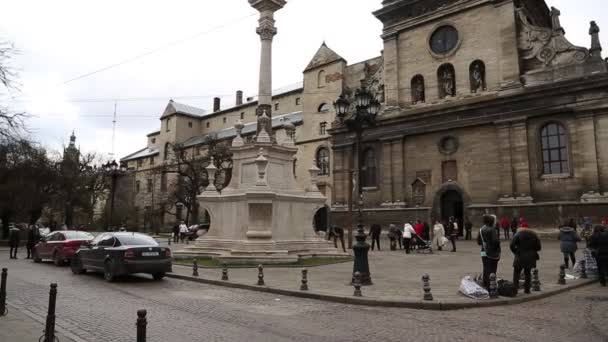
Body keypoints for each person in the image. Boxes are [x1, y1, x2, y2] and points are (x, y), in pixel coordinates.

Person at [510, 223, 541, 294]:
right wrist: (533, 251)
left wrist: (516, 251)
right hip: (530, 257)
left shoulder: (517, 234)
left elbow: (511, 245)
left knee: (516, 273)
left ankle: (515, 289)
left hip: (519, 256)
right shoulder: (534, 235)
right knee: (527, 274)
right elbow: (539, 247)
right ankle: (527, 290)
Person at [478, 214, 501, 289]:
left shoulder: (481, 229)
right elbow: (496, 241)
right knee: (492, 269)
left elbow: (478, 241)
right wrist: (497, 249)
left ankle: (485, 283)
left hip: (483, 251)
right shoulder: (492, 229)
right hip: (491, 252)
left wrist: (485, 244)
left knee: (485, 267)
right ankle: (491, 286)